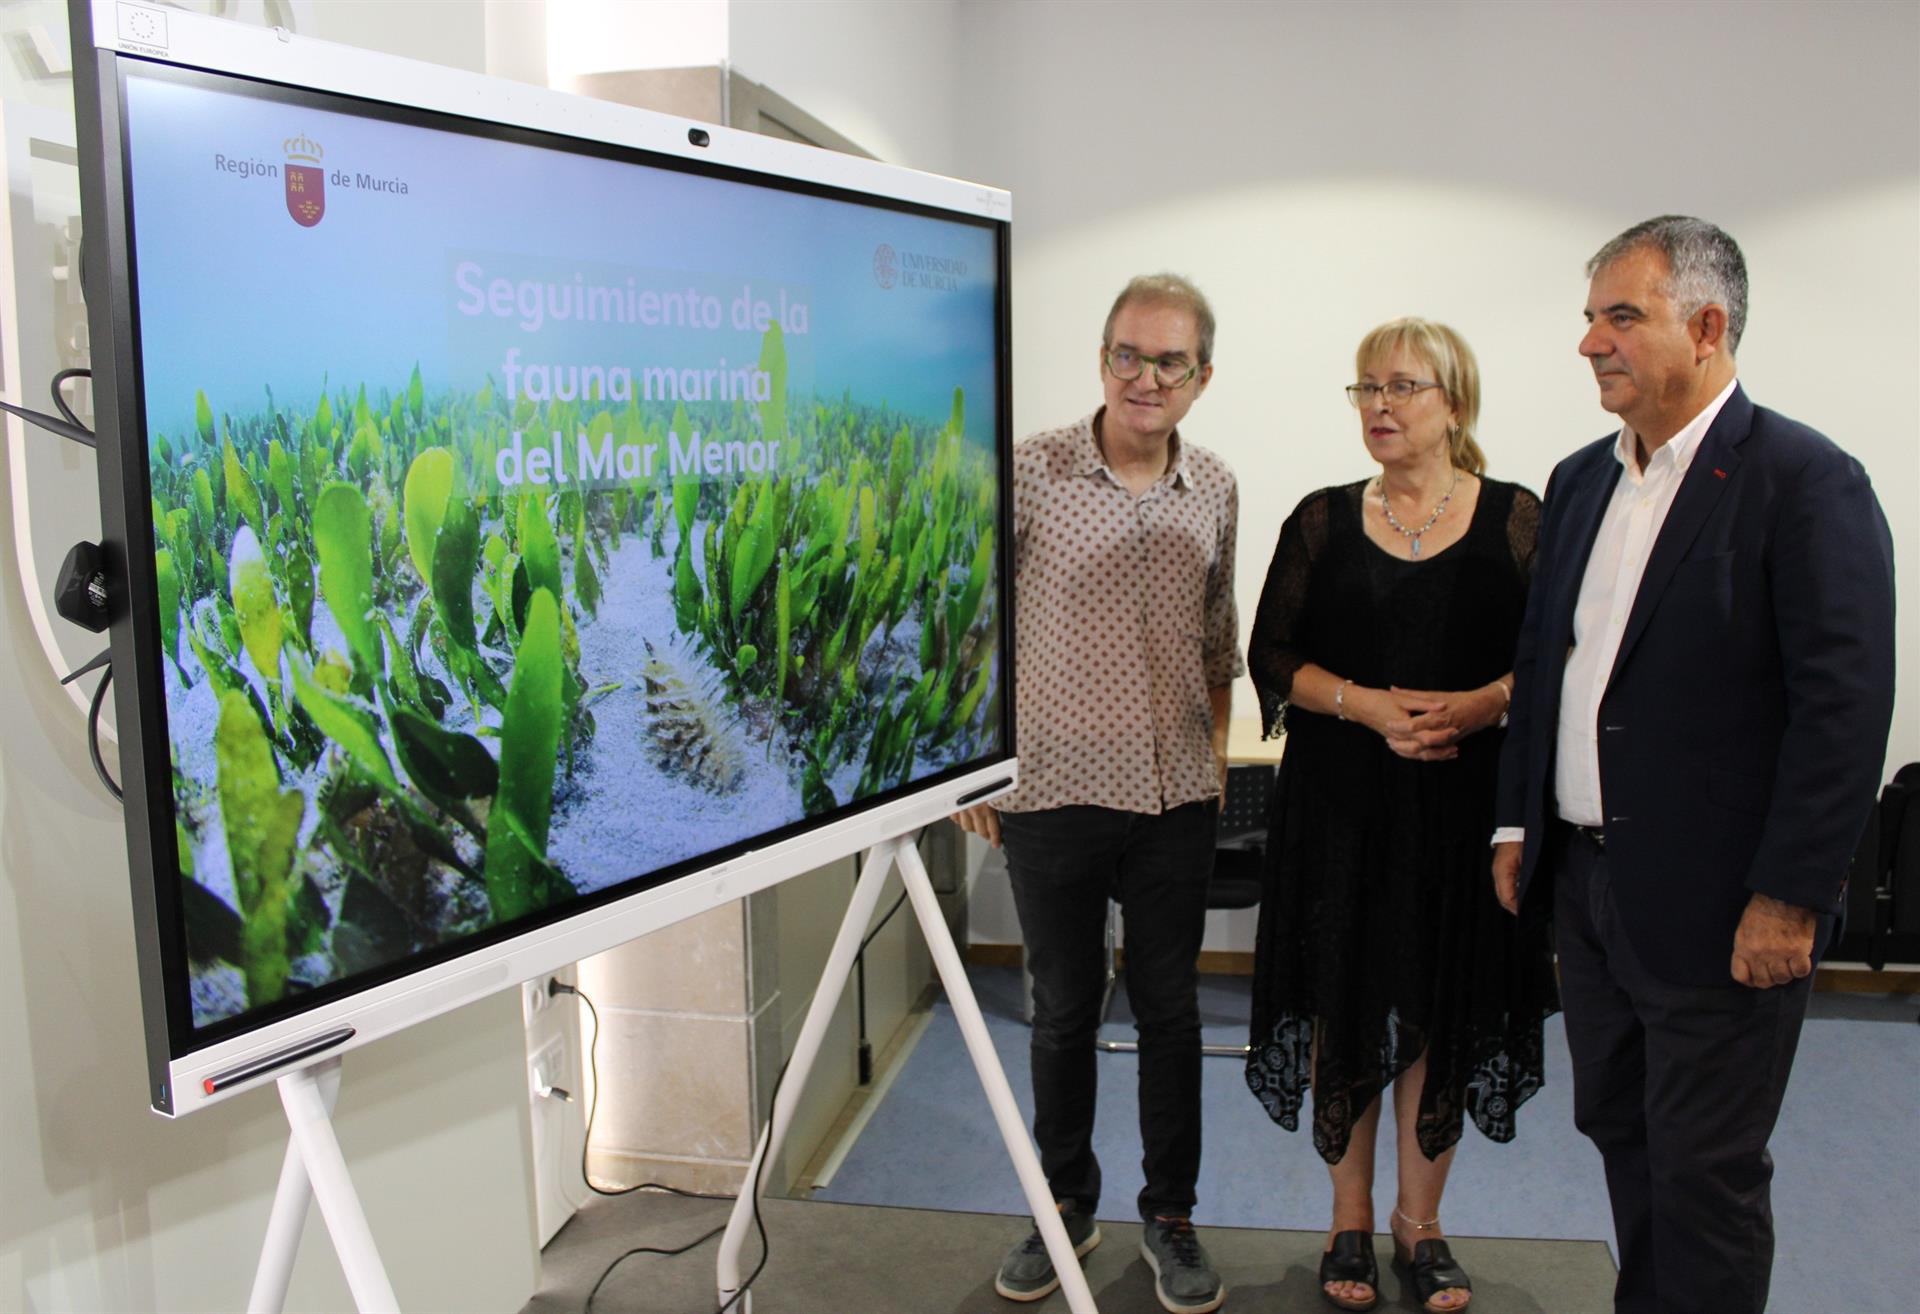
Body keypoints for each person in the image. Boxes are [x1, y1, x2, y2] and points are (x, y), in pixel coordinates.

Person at [1491, 216, 1896, 1314]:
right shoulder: (1580, 482)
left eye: (1622, 316)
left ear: (1708, 327)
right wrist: (1517, 823)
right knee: (1620, 1128)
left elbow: (1844, 710)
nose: (1590, 343)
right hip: (1588, 887)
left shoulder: (1804, 482)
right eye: (1589, 318)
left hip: (1727, 907)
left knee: (1706, 1167)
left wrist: (1792, 899)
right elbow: (1547, 662)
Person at [1244, 318, 1557, 1314]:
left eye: (1403, 387)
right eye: (1365, 388)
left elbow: (1558, 657)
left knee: (1443, 1012)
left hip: (1466, 812)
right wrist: (1370, 707)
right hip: (1342, 810)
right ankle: (1348, 1218)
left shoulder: (1518, 518)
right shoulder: (1321, 522)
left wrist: (1483, 704)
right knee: (1346, 1000)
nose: (1379, 405)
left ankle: (1420, 1228)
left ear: (1453, 402)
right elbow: (1274, 655)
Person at [954, 273, 1241, 1314]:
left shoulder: (1213, 485)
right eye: (1129, 354)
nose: (1146, 377)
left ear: (1201, 377)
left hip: (1173, 801)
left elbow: (1220, 641)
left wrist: (1208, 765)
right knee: (1063, 1011)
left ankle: (1172, 1216)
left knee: (1171, 1014)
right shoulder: (1029, 473)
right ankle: (1063, 1204)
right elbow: (968, 628)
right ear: (1103, 359)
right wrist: (969, 767)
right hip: (1054, 795)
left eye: (1171, 361)